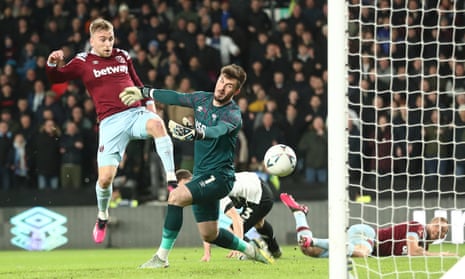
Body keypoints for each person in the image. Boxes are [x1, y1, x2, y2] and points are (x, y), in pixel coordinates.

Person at [119, 64, 274, 267]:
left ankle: (161, 258)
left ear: (236, 91)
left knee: (175, 196)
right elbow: (175, 97)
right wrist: (143, 91)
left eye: (229, 86)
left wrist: (197, 133)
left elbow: (217, 131)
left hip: (220, 178)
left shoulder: (233, 115)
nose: (221, 87)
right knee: (210, 234)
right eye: (221, 81)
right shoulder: (202, 99)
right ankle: (250, 249)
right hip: (202, 175)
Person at [45, 18, 177, 244]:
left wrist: (151, 109)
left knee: (157, 125)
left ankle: (172, 180)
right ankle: (102, 216)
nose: (108, 44)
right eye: (102, 40)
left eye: (110, 39)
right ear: (92, 41)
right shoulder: (83, 60)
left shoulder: (123, 56)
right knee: (105, 179)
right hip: (110, 123)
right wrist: (52, 63)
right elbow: (58, 77)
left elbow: (137, 83)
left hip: (134, 114)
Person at [280, 193, 457, 257]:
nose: (440, 233)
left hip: (363, 240)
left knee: (308, 251)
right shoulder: (418, 227)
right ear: (432, 223)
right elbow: (412, 250)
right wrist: (439, 254)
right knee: (362, 253)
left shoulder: (423, 243)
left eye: (444, 233)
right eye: (439, 228)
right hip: (368, 235)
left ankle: (299, 214)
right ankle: (316, 240)